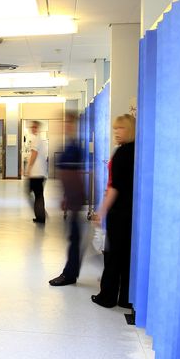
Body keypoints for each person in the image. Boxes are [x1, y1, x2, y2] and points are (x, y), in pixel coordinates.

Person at [91, 114, 136, 308]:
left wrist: (101, 211)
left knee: (112, 256)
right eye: (115, 128)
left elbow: (114, 187)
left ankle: (107, 297)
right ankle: (127, 298)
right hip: (132, 211)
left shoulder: (122, 153)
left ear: (130, 129)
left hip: (119, 212)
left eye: (121, 128)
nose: (116, 132)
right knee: (127, 256)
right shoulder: (137, 151)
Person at [49, 111, 86, 286]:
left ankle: (70, 274)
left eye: (68, 123)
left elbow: (75, 175)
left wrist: (71, 198)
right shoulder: (69, 145)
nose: (65, 126)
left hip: (75, 198)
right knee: (74, 236)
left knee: (75, 236)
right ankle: (71, 272)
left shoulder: (75, 148)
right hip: (71, 197)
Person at [25, 120, 48, 223]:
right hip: (40, 173)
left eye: (35, 127)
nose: (33, 129)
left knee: (33, 194)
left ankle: (41, 215)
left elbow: (34, 154)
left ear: (38, 128)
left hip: (36, 174)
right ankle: (41, 215)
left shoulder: (35, 140)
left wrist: (28, 169)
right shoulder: (40, 140)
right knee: (38, 195)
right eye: (32, 127)